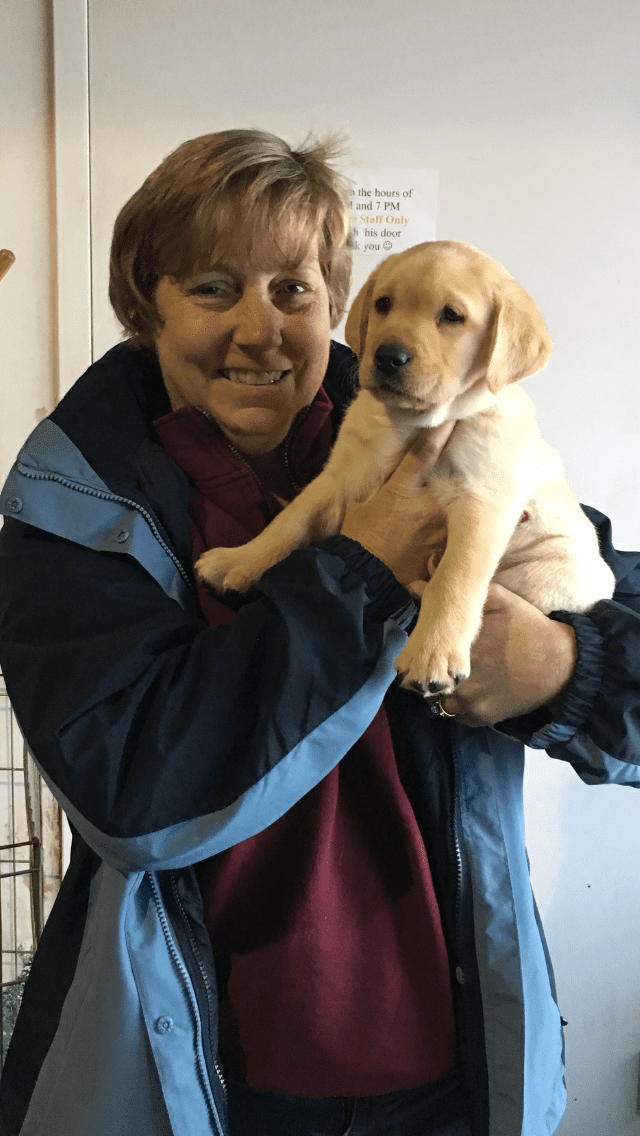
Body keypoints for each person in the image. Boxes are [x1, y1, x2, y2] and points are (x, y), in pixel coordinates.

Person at [0, 130, 638, 1136]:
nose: (263, 331)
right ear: (144, 300)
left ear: (337, 298)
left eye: (294, 290)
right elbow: (134, 792)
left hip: (454, 1062)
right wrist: (368, 563)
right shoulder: (78, 505)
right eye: (214, 288)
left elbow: (603, 609)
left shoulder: (445, 428)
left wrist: (559, 665)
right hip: (205, 1076)